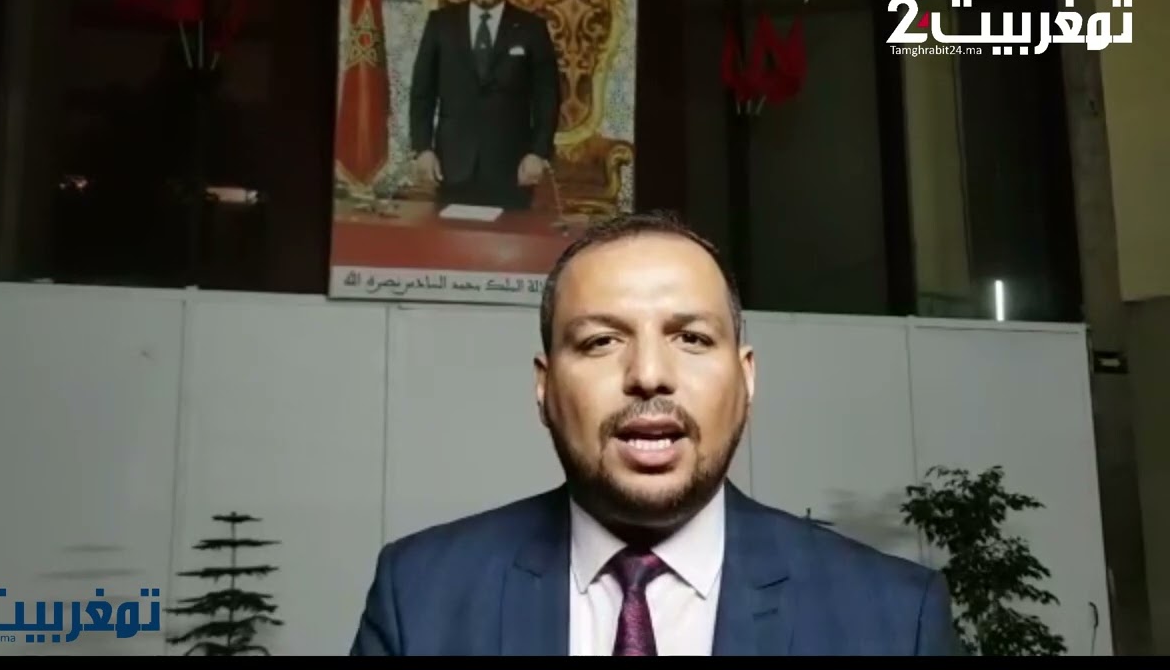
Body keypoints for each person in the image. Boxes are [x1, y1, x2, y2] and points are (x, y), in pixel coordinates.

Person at [349, 212, 965, 656]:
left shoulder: (894, 620)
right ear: (545, 387)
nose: (648, 374)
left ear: (746, 379)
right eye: (601, 341)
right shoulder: (421, 597)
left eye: (691, 338)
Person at [409, 0, 560, 211]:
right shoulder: (440, 24)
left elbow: (547, 96)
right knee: (450, 237)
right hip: (452, 166)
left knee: (510, 237)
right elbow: (422, 92)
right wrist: (422, 148)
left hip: (512, 170)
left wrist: (538, 153)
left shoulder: (531, 28)